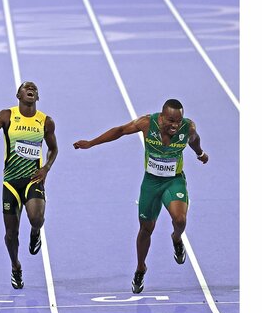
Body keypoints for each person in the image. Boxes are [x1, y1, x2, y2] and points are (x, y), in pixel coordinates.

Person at [73, 99, 208, 293]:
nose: (175, 125)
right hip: (151, 183)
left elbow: (194, 140)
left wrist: (200, 153)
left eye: (178, 121)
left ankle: (176, 238)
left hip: (174, 180)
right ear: (162, 117)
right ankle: (140, 268)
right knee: (146, 229)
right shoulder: (146, 123)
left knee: (180, 220)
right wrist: (91, 143)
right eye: (171, 121)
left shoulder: (188, 128)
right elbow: (120, 131)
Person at [0, 81, 58, 289]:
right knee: (11, 234)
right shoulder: (7, 116)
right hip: (11, 182)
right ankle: (15, 267)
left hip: (33, 179)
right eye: (26, 87)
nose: (31, 89)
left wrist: (46, 168)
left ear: (37, 97)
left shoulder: (45, 121)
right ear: (18, 95)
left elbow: (53, 148)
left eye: (34, 88)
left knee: (36, 218)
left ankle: (35, 232)